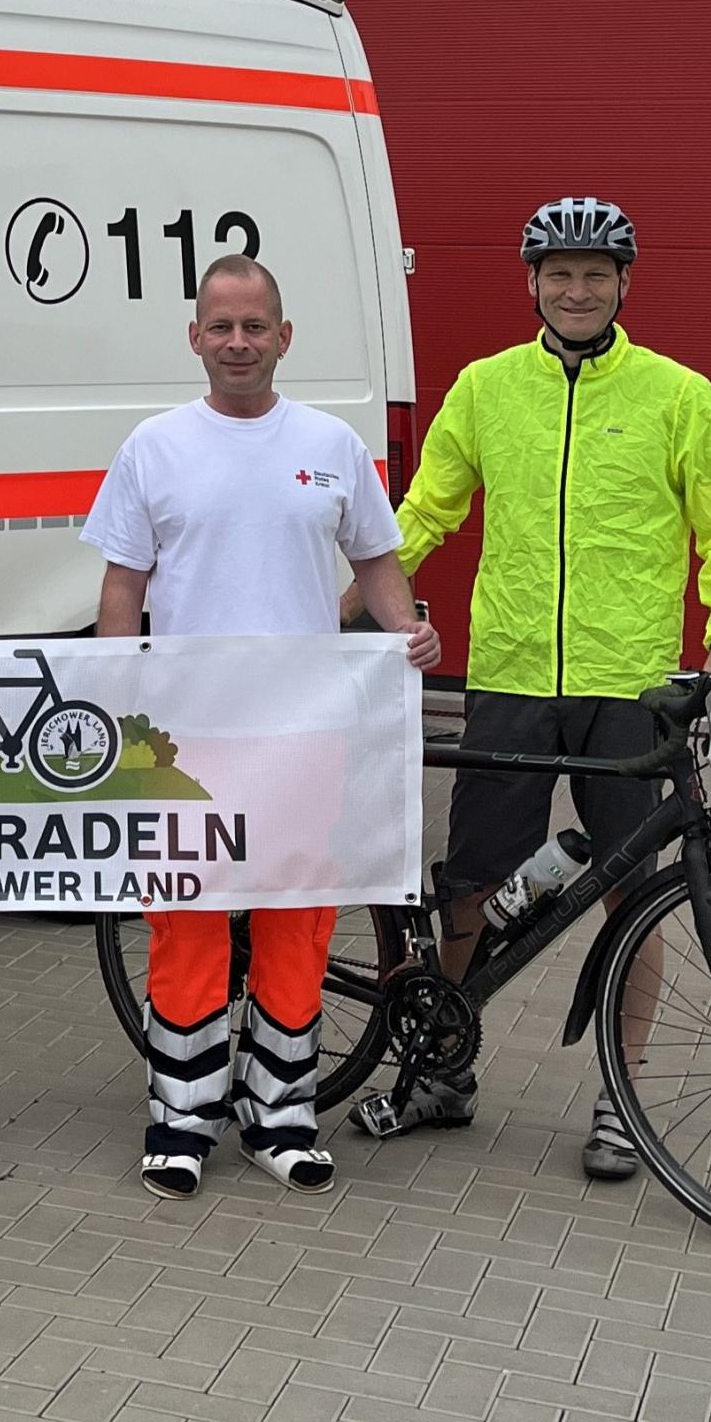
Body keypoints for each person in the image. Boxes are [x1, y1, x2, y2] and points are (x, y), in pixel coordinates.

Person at [345, 197, 711, 1180]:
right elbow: (424, 513)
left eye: (595, 274)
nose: (577, 290)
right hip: (512, 675)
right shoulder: (486, 388)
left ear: (624, 284)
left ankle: (624, 1097)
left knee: (633, 895)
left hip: (632, 688)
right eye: (559, 274)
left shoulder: (677, 396)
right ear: (531, 283)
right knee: (473, 882)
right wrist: (342, 607)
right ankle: (441, 1068)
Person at [86, 255, 439, 1199]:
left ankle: (281, 1117)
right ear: (194, 337)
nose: (237, 343)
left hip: (303, 736)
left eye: (254, 327)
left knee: (297, 925)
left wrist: (406, 630)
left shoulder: (331, 443)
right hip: (187, 742)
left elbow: (375, 559)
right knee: (187, 925)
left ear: (285, 337)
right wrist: (118, 702)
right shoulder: (154, 447)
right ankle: (182, 1120)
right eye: (221, 326)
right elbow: (123, 585)